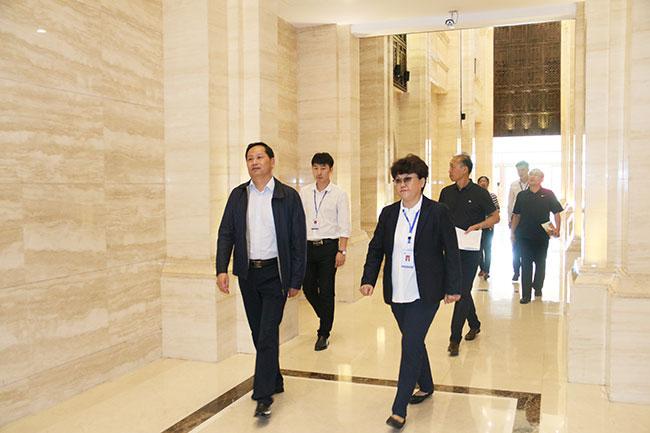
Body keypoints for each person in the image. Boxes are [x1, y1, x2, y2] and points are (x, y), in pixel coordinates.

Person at [360, 154, 462, 430]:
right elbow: (376, 249)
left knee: (409, 345)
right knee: (414, 341)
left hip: (425, 292)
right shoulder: (389, 213)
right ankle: (426, 384)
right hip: (397, 291)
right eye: (397, 180)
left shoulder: (437, 211)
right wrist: (368, 278)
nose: (402, 184)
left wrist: (454, 287)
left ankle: (399, 408)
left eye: (407, 179)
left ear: (422, 181)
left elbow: (451, 251)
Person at [216, 142, 306, 418]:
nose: (254, 162)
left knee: (267, 332)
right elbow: (226, 233)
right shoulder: (238, 195)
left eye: (259, 157)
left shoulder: (288, 196)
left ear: (272, 161)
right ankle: (275, 378)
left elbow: (298, 240)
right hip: (248, 274)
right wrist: (221, 268)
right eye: (249, 158)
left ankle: (263, 395)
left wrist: (296, 278)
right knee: (258, 332)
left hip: (275, 274)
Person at [439, 154, 500, 357]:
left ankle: (454, 339)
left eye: (453, 166)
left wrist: (478, 226)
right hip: (451, 248)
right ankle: (474, 323)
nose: (450, 171)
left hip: (471, 249)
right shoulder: (446, 192)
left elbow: (495, 217)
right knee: (463, 291)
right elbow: (440, 218)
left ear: (464, 169)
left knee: (461, 290)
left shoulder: (480, 193)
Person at [299, 152, 351, 351]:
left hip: (329, 248)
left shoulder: (339, 194)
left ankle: (323, 333)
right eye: (315, 168)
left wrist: (342, 250)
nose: (319, 172)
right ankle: (326, 315)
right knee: (309, 288)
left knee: (327, 290)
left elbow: (344, 224)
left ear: (331, 169)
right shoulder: (304, 192)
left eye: (323, 168)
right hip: (307, 246)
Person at [510, 168, 563, 304]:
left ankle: (538, 287)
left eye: (536, 175)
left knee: (540, 263)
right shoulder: (522, 195)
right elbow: (516, 215)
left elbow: (556, 212)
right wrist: (513, 233)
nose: (532, 177)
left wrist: (558, 228)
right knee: (526, 264)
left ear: (541, 179)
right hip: (524, 235)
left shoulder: (548, 194)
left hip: (541, 236)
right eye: (531, 174)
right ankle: (526, 295)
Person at [508, 161, 529, 281]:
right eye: (518, 170)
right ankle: (516, 271)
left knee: (526, 248)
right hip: (516, 219)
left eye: (522, 170)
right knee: (515, 247)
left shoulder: (532, 184)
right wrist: (509, 219)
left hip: (528, 219)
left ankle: (526, 270)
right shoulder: (514, 185)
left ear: (527, 169)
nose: (520, 172)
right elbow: (510, 203)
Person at [476, 176, 500, 281]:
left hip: (489, 226)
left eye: (485, 181)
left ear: (488, 184)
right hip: (477, 227)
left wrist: (490, 222)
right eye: (481, 181)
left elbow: (497, 210)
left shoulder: (492, 196)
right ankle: (482, 268)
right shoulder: (475, 196)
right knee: (478, 248)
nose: (483, 183)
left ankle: (487, 270)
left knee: (487, 248)